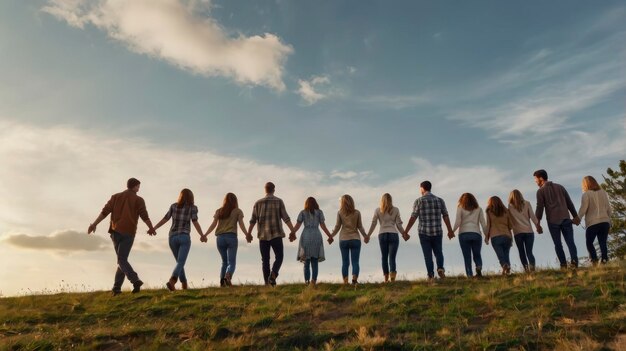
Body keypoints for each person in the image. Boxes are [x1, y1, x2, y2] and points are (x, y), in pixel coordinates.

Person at [87, 178, 156, 296]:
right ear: (134, 186)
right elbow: (144, 215)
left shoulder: (115, 197)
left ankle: (116, 289)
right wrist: (151, 228)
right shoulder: (139, 200)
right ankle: (135, 280)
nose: (139, 189)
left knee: (121, 260)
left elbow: (105, 212)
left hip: (116, 231)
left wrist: (94, 224)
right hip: (129, 232)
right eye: (138, 186)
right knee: (122, 259)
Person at [152, 189, 204, 291]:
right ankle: (172, 280)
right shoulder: (192, 208)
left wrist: (154, 228)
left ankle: (184, 285)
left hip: (172, 237)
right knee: (180, 262)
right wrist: (202, 235)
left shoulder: (173, 206)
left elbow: (165, 219)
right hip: (184, 237)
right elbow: (195, 222)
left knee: (179, 262)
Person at [403, 181, 455, 280]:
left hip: (424, 232)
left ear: (422, 188)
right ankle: (440, 268)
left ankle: (430, 275)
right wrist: (450, 230)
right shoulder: (440, 200)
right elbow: (445, 216)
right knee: (438, 252)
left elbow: (413, 217)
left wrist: (406, 231)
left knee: (427, 255)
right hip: (437, 231)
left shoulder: (418, 201)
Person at [247, 182, 295, 286]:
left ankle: (267, 283)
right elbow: (286, 218)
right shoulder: (279, 201)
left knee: (265, 260)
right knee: (280, 256)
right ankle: (273, 275)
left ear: (265, 190)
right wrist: (293, 231)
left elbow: (252, 220)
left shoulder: (258, 203)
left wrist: (248, 233)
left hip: (263, 236)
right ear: (274, 189)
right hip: (276, 234)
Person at [534, 169, 580, 269]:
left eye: (536, 180)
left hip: (553, 221)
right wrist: (575, 216)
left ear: (541, 178)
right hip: (565, 218)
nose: (535, 182)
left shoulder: (540, 191)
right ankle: (574, 262)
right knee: (570, 242)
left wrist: (537, 224)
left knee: (558, 244)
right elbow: (569, 203)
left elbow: (539, 208)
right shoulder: (560, 187)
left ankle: (563, 265)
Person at [202, 193, 248, 286]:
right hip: (231, 237)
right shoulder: (238, 211)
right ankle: (228, 275)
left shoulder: (219, 211)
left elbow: (214, 224)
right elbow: (241, 224)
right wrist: (247, 234)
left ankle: (222, 283)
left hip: (220, 238)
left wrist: (205, 234)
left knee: (224, 262)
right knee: (232, 262)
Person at [290, 197, 333, 287]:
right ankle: (313, 281)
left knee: (306, 261)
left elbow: (297, 225)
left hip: (306, 236)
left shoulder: (303, 212)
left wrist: (292, 233)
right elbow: (323, 226)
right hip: (316, 235)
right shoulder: (319, 212)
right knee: (314, 261)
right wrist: (330, 235)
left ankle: (307, 281)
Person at [329, 194, 368, 285]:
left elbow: (337, 227)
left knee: (345, 262)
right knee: (355, 261)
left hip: (343, 240)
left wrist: (331, 236)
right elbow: (360, 227)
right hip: (355, 239)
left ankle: (345, 282)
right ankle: (354, 280)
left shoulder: (340, 213)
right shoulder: (357, 212)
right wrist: (365, 236)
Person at [366, 193, 405, 282]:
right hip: (393, 234)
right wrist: (404, 234)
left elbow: (374, 223)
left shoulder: (377, 210)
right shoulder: (396, 210)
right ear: (391, 200)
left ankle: (386, 278)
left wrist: (368, 235)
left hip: (382, 234)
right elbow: (399, 225)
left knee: (384, 257)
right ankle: (392, 277)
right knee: (392, 257)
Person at [576, 176, 612, 265]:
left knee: (589, 243)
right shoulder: (603, 192)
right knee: (603, 242)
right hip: (605, 222)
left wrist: (578, 219)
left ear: (585, 185)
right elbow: (609, 209)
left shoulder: (586, 194)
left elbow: (583, 209)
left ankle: (594, 260)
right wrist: (609, 220)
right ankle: (604, 260)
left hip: (592, 223)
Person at [451, 193, 487, 278]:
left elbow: (458, 221)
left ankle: (469, 275)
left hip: (464, 234)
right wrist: (486, 236)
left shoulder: (460, 208)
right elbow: (483, 223)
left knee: (467, 256)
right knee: (477, 253)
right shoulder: (479, 209)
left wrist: (452, 231)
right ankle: (478, 266)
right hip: (476, 233)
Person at [508, 189, 542, 273]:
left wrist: (510, 229)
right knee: (529, 252)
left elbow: (510, 220)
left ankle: (526, 270)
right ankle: (533, 269)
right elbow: (533, 216)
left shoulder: (510, 206)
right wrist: (538, 226)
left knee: (521, 252)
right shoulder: (527, 203)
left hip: (517, 233)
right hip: (529, 232)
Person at [485, 196, 513, 275]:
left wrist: (486, 237)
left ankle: (504, 265)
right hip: (507, 235)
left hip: (495, 236)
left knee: (500, 254)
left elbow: (488, 225)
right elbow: (510, 226)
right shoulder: (506, 211)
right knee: (506, 254)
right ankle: (507, 269)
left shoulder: (489, 211)